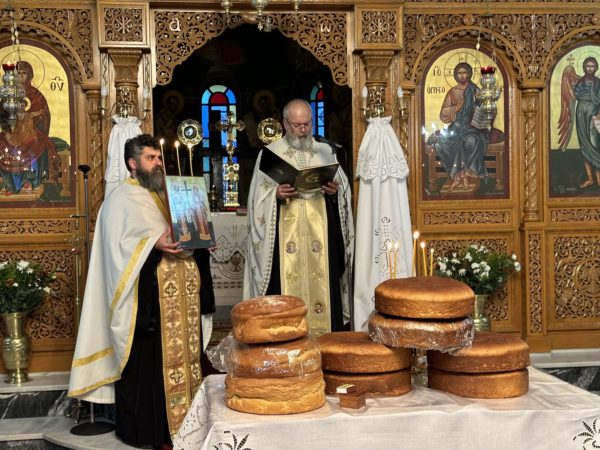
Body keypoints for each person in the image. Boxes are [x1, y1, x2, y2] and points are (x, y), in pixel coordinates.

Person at [68, 134, 215, 448]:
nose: (158, 163)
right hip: (147, 308)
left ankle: (187, 428)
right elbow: (117, 253)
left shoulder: (169, 193)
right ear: (133, 164)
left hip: (180, 301)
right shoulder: (120, 200)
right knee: (150, 370)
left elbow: (185, 233)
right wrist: (153, 244)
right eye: (150, 158)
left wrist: (203, 240)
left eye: (159, 157)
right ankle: (152, 431)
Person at [243, 99, 354, 337]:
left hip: (320, 236)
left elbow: (344, 192)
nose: (303, 130)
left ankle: (326, 342)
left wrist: (334, 193)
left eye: (307, 124)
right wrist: (275, 195)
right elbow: (256, 201)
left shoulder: (326, 152)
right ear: (285, 124)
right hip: (284, 238)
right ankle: (286, 341)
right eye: (297, 125)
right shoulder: (270, 154)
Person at [0, 60, 60, 195]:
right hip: (11, 133)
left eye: (24, 73)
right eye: (18, 73)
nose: (21, 76)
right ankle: (9, 184)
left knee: (36, 145)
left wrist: (34, 122)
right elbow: (2, 115)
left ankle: (29, 180)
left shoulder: (36, 95)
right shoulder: (8, 94)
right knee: (2, 146)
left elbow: (44, 114)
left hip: (32, 132)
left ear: (30, 76)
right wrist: (8, 131)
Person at [429, 62, 490, 191]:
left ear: (469, 74)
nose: (462, 76)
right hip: (456, 128)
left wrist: (477, 111)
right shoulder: (453, 92)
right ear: (455, 75)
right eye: (459, 73)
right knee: (439, 144)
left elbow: (485, 110)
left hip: (472, 128)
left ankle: (466, 173)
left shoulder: (475, 90)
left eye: (464, 73)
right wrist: (455, 108)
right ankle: (457, 174)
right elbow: (443, 114)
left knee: (470, 141)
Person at [559, 56, 600, 188]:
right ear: (584, 68)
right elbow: (575, 96)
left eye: (592, 66)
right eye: (587, 66)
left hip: (594, 113)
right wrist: (567, 83)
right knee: (584, 145)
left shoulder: (598, 83)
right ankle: (590, 178)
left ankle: (599, 179)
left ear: (596, 68)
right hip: (581, 112)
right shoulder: (581, 82)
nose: (590, 69)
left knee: (594, 144)